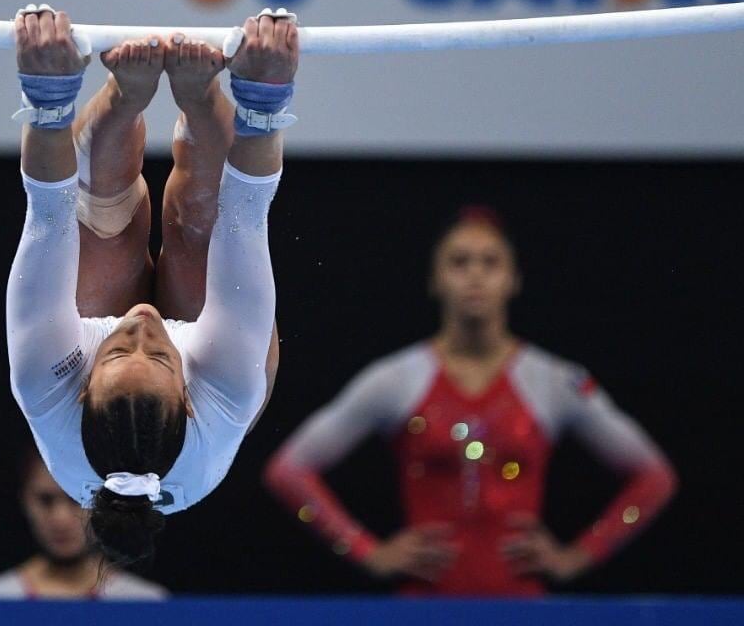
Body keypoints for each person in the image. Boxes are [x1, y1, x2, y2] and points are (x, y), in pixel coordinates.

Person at [6, 5, 294, 564]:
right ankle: (200, 94)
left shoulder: (43, 380)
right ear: (187, 400)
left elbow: (48, 213)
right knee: (200, 218)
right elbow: (247, 213)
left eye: (116, 349)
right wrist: (263, 99)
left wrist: (48, 92)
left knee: (103, 217)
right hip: (220, 375)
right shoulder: (227, 387)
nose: (141, 322)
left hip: (128, 379)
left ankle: (122, 96)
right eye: (158, 356)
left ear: (83, 388)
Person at [264, 208, 678, 595]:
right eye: (459, 262)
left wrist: (577, 556)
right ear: (436, 279)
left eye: (490, 262)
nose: (475, 275)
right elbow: (290, 470)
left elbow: (654, 477)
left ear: (514, 279)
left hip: (521, 606)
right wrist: (365, 551)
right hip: (426, 606)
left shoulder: (554, 380)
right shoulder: (395, 379)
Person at [0, 443, 167, 599]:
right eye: (46, 500)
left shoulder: (144, 603)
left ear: (103, 501)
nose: (60, 519)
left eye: (75, 499)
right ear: (25, 500)